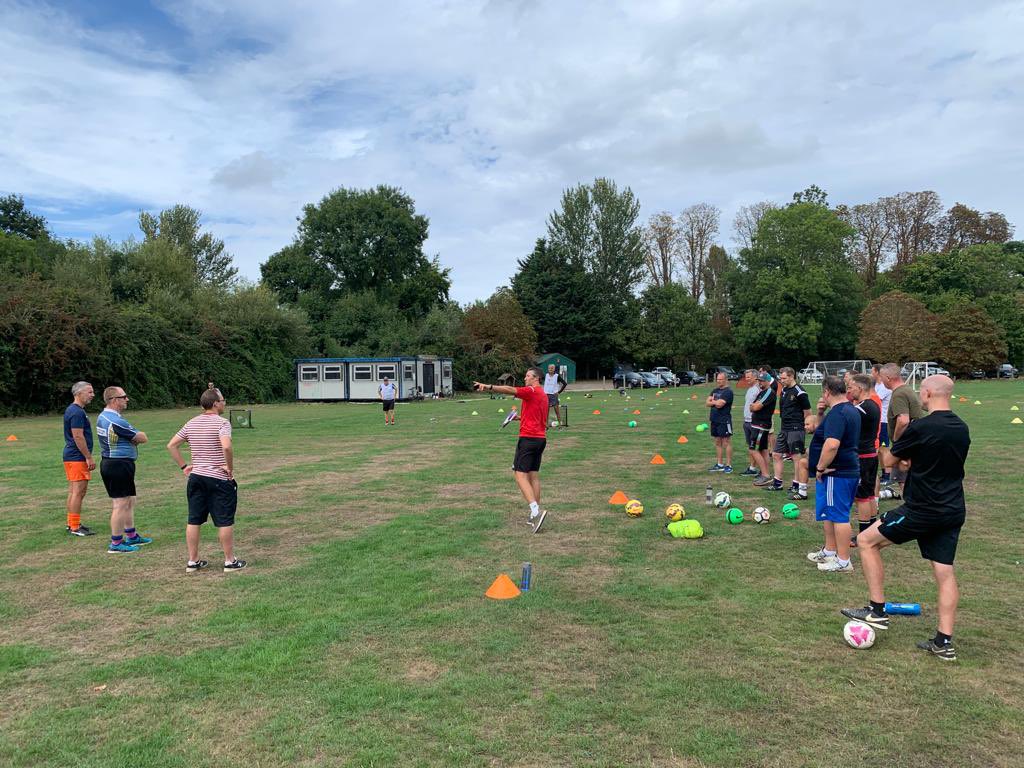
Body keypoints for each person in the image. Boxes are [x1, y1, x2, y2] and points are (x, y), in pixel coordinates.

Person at [842, 375, 970, 662]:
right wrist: (909, 458)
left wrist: (895, 450)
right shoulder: (962, 427)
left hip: (922, 509)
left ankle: (876, 610)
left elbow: (888, 461)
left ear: (926, 394)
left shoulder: (920, 426)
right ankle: (943, 642)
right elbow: (932, 459)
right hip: (952, 509)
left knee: (865, 540)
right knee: (944, 572)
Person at [167, 384, 246, 573]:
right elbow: (226, 447)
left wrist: (185, 467)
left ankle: (193, 561)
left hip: (196, 478)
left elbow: (171, 445)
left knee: (194, 519)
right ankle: (229, 561)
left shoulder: (191, 422)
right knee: (224, 519)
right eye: (223, 400)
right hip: (218, 478)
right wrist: (229, 468)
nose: (224, 403)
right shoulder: (222, 423)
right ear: (216, 404)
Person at [473, 367, 548, 533]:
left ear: (536, 378)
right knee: (533, 476)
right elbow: (540, 417)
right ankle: (535, 512)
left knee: (519, 474)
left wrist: (487, 386)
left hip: (528, 439)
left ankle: (535, 511)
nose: (525, 378)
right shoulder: (543, 394)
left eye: (528, 376)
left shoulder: (531, 390)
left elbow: (509, 389)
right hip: (540, 439)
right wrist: (520, 417)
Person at [805, 376, 861, 573]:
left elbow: (832, 444)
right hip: (844, 471)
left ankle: (843, 561)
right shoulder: (848, 409)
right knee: (830, 513)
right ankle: (830, 551)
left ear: (827, 392)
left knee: (839, 516)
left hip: (838, 473)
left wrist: (820, 467)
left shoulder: (839, 412)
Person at [96, 386, 151, 553]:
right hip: (117, 465)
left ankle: (132, 535)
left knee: (129, 500)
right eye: (123, 397)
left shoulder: (103, 416)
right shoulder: (115, 420)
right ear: (114, 400)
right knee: (120, 503)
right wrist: (134, 439)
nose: (127, 399)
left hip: (116, 463)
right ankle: (116, 543)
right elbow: (142, 437)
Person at [879, 362, 925, 500]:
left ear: (888, 378)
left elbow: (903, 420)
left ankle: (911, 508)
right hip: (915, 441)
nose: (881, 381)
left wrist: (897, 439)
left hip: (907, 444)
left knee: (903, 478)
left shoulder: (899, 394)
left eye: (882, 378)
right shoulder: (907, 389)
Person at [848, 374, 881, 548]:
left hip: (862, 457)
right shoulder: (870, 405)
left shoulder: (863, 408)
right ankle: (872, 532)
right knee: (868, 495)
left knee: (862, 498)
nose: (848, 390)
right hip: (869, 455)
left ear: (860, 389)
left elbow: (846, 416)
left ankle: (863, 535)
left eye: (851, 387)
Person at [769, 367, 811, 495]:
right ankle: (777, 483)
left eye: (784, 378)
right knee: (776, 454)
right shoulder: (784, 390)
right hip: (784, 428)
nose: (781, 381)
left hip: (796, 428)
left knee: (796, 457)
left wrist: (803, 426)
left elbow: (808, 412)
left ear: (792, 376)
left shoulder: (800, 392)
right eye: (780, 378)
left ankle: (796, 484)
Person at [63, 381, 97, 536]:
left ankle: (72, 523)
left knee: (73, 491)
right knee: (78, 492)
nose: (92, 395)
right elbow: (78, 436)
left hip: (71, 456)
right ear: (78, 393)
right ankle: (75, 527)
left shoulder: (74, 410)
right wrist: (88, 457)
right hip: (77, 458)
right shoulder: (76, 412)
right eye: (89, 392)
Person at [748, 372, 777, 486]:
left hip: (761, 426)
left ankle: (765, 475)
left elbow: (755, 406)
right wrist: (753, 406)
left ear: (768, 381)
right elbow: (752, 406)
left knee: (753, 449)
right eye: (759, 380)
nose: (759, 382)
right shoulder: (762, 392)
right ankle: (766, 473)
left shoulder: (769, 392)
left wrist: (754, 407)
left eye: (762, 381)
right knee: (763, 450)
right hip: (758, 425)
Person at [706, 372, 734, 473]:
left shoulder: (728, 392)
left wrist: (713, 402)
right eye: (717, 379)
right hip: (714, 419)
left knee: (726, 442)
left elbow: (719, 405)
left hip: (724, 420)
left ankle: (728, 465)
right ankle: (719, 464)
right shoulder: (715, 390)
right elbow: (707, 403)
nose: (718, 381)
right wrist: (714, 402)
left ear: (726, 380)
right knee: (717, 442)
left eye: (721, 379)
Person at [871, 364, 893, 485]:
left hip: (884, 422)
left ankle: (888, 475)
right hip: (878, 421)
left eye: (872, 371)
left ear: (877, 372)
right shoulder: (877, 385)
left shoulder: (884, 387)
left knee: (884, 449)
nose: (870, 374)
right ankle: (884, 472)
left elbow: (875, 399)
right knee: (879, 449)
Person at [740, 369, 760, 475]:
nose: (746, 379)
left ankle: (757, 469)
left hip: (754, 422)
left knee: (755, 447)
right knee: (750, 446)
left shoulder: (758, 390)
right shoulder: (750, 389)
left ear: (755, 377)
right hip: (746, 421)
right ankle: (752, 468)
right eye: (746, 377)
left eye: (749, 377)